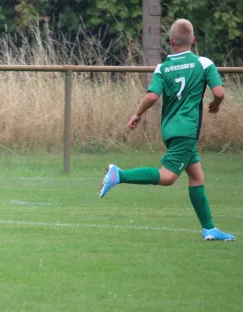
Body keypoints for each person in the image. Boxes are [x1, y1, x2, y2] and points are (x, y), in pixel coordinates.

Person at [99, 19, 236, 241]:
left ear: (170, 41)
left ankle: (209, 228)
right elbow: (219, 93)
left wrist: (137, 114)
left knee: (196, 177)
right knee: (168, 177)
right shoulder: (203, 63)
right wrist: (215, 104)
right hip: (187, 130)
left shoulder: (163, 68)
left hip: (170, 129)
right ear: (193, 40)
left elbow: (153, 95)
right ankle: (119, 175)